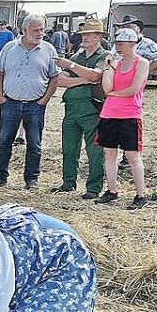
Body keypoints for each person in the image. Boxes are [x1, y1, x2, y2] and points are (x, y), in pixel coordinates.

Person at [0, 14, 61, 190]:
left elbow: (54, 77)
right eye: (36, 30)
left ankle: (31, 179)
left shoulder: (49, 50)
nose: (40, 33)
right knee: (4, 141)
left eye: (42, 29)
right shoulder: (9, 48)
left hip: (35, 104)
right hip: (10, 103)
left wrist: (44, 100)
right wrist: (1, 99)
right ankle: (0, 176)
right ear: (24, 30)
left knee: (34, 143)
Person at [51, 19, 109, 199]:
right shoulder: (78, 57)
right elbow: (60, 81)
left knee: (95, 150)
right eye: (83, 35)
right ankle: (68, 183)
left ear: (99, 37)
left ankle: (93, 188)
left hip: (92, 107)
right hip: (71, 107)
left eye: (88, 35)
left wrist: (71, 66)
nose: (84, 38)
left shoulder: (104, 56)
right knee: (69, 148)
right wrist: (83, 79)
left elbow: (96, 75)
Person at [95, 28, 150, 210]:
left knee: (132, 155)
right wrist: (108, 67)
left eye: (121, 44)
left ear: (132, 44)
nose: (118, 48)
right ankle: (111, 190)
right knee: (109, 154)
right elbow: (106, 88)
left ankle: (140, 195)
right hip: (110, 113)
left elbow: (134, 89)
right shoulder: (115, 64)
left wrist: (114, 94)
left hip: (130, 114)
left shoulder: (142, 63)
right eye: (116, 44)